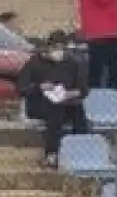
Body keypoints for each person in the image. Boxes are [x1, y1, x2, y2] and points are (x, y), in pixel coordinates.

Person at [16, 37, 89, 168]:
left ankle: (81, 152)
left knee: (78, 112)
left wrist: (70, 93)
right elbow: (21, 88)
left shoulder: (71, 63)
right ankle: (52, 154)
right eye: (55, 49)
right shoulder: (34, 64)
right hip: (39, 104)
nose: (59, 52)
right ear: (47, 49)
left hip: (66, 102)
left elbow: (83, 90)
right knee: (55, 113)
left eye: (62, 49)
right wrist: (39, 87)